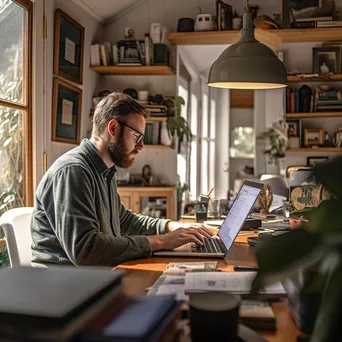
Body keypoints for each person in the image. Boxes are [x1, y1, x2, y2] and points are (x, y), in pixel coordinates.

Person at [31, 93, 213, 267]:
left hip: (91, 278)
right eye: (137, 137)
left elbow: (124, 221)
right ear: (113, 128)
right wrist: (161, 241)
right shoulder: (74, 171)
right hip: (65, 285)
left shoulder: (104, 170)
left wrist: (170, 227)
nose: (141, 146)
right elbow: (86, 250)